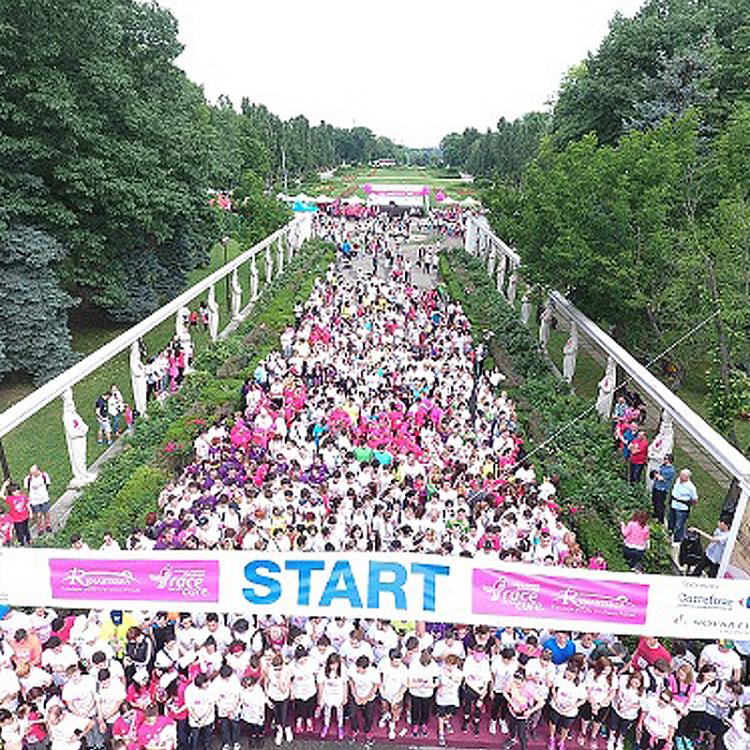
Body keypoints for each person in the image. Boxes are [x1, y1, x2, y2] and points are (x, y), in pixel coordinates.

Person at [669, 469, 698, 545]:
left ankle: (677, 540)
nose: (681, 477)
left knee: (679, 525)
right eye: (680, 475)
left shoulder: (691, 487)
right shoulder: (678, 480)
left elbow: (695, 499)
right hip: (673, 504)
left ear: (688, 477)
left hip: (682, 508)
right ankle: (670, 535)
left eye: (683, 476)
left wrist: (687, 503)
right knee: (671, 521)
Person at [1, 480, 30, 546]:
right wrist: (4, 485)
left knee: (26, 529)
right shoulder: (10, 499)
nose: (17, 491)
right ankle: (21, 543)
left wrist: (30, 512)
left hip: (25, 517)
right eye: (14, 491)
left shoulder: (23, 496)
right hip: (16, 519)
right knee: (19, 532)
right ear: (11, 492)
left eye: (18, 489)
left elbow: (27, 504)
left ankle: (29, 539)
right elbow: (1, 495)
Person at [24, 465, 51, 535]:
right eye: (31, 473)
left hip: (44, 498)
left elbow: (47, 485)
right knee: (38, 515)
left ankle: (48, 525)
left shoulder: (44, 476)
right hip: (34, 500)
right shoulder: (28, 479)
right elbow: (27, 489)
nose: (32, 474)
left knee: (46, 512)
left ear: (38, 470)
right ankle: (40, 528)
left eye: (34, 472)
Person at [651, 454, 675, 523]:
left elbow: (661, 478)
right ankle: (655, 515)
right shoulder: (663, 466)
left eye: (665, 459)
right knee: (654, 501)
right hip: (656, 487)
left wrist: (656, 474)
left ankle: (660, 519)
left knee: (660, 504)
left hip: (662, 489)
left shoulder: (670, 470)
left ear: (669, 460)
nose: (663, 460)